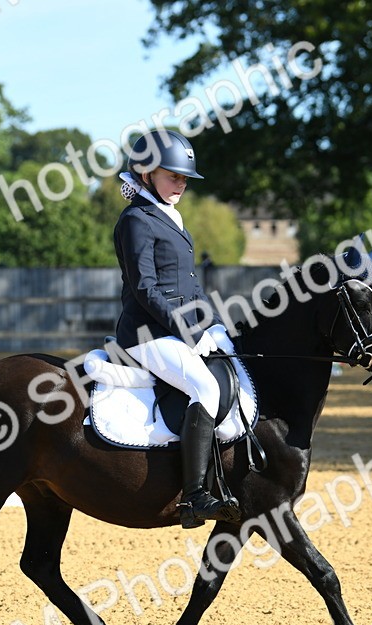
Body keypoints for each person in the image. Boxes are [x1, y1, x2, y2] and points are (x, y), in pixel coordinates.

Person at [112, 129, 240, 529]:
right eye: (174, 176)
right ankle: (194, 496)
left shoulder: (171, 217)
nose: (181, 184)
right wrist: (187, 329)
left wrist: (214, 325)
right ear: (147, 173)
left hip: (177, 330)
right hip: (147, 334)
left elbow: (190, 283)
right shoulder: (136, 220)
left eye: (185, 178)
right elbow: (145, 287)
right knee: (205, 387)